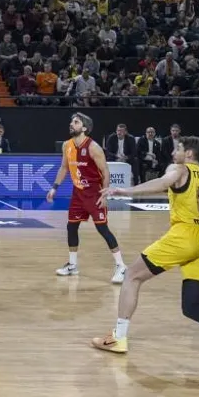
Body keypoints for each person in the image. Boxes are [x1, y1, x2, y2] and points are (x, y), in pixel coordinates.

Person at [92, 136, 199, 368]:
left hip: (185, 236)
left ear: (189, 154)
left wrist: (123, 191)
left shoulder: (180, 169)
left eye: (178, 148)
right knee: (191, 306)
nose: (174, 152)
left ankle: (118, 338)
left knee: (132, 275)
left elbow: (161, 183)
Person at [47, 112, 125, 283]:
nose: (71, 124)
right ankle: (72, 265)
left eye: (76, 122)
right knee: (71, 227)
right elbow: (63, 168)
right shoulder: (66, 145)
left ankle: (121, 266)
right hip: (78, 193)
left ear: (84, 128)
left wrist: (104, 194)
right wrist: (54, 187)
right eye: (71, 121)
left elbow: (105, 171)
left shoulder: (93, 147)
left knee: (102, 229)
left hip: (94, 193)